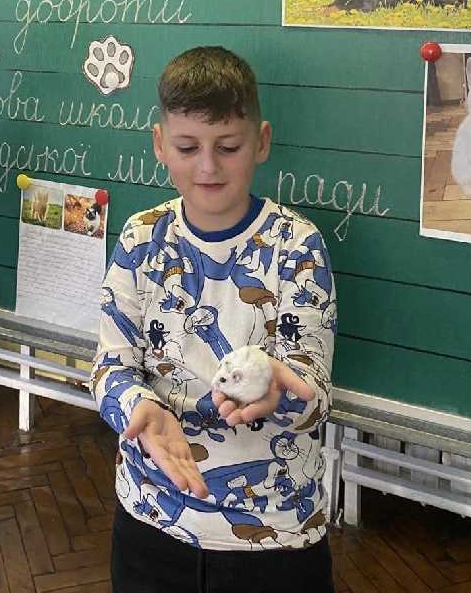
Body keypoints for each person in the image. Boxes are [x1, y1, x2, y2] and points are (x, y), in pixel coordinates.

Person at [90, 46, 337, 593]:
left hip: (275, 532)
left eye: (228, 147)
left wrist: (284, 391)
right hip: (152, 517)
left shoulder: (297, 246)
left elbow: (315, 395)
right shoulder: (141, 238)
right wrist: (141, 408)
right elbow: (109, 368)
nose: (207, 167)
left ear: (261, 142)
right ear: (160, 144)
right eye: (187, 147)